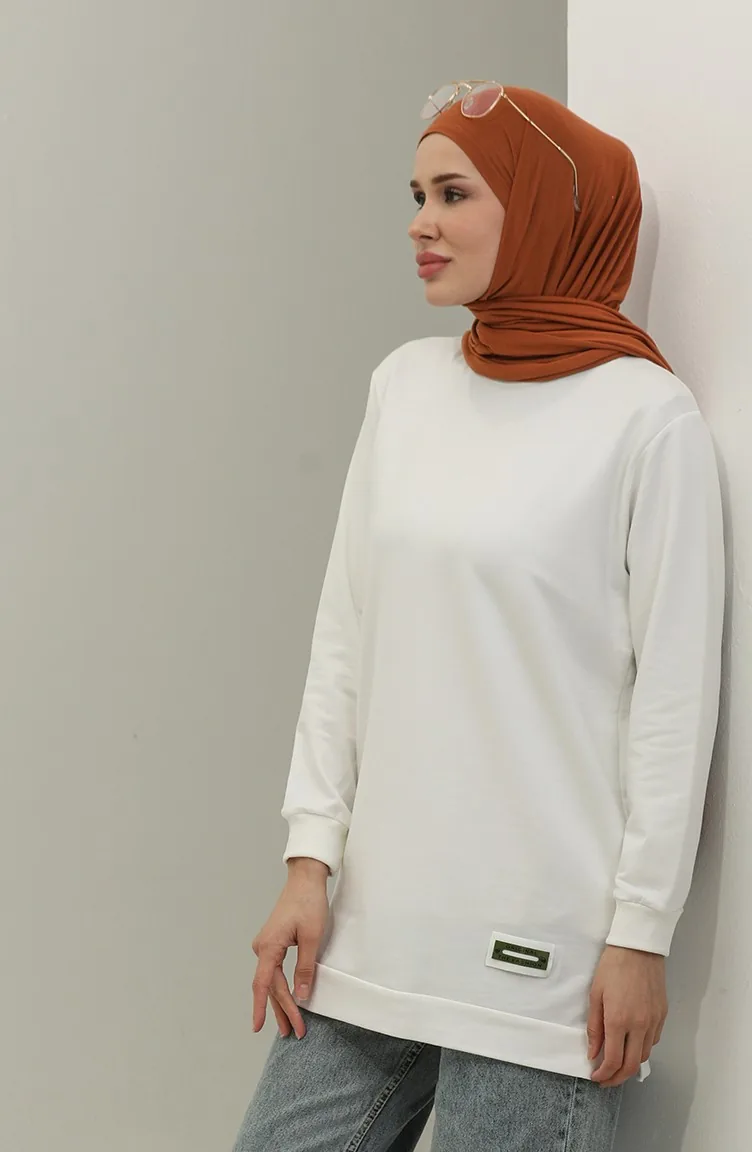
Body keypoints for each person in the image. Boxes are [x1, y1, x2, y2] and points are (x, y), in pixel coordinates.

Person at [232, 83, 725, 1152]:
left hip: (541, 968)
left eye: (453, 193)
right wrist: (308, 859)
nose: (420, 222)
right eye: (415, 195)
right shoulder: (404, 387)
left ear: (546, 206)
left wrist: (640, 935)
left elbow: (674, 706)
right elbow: (345, 639)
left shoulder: (646, 420)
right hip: (368, 934)